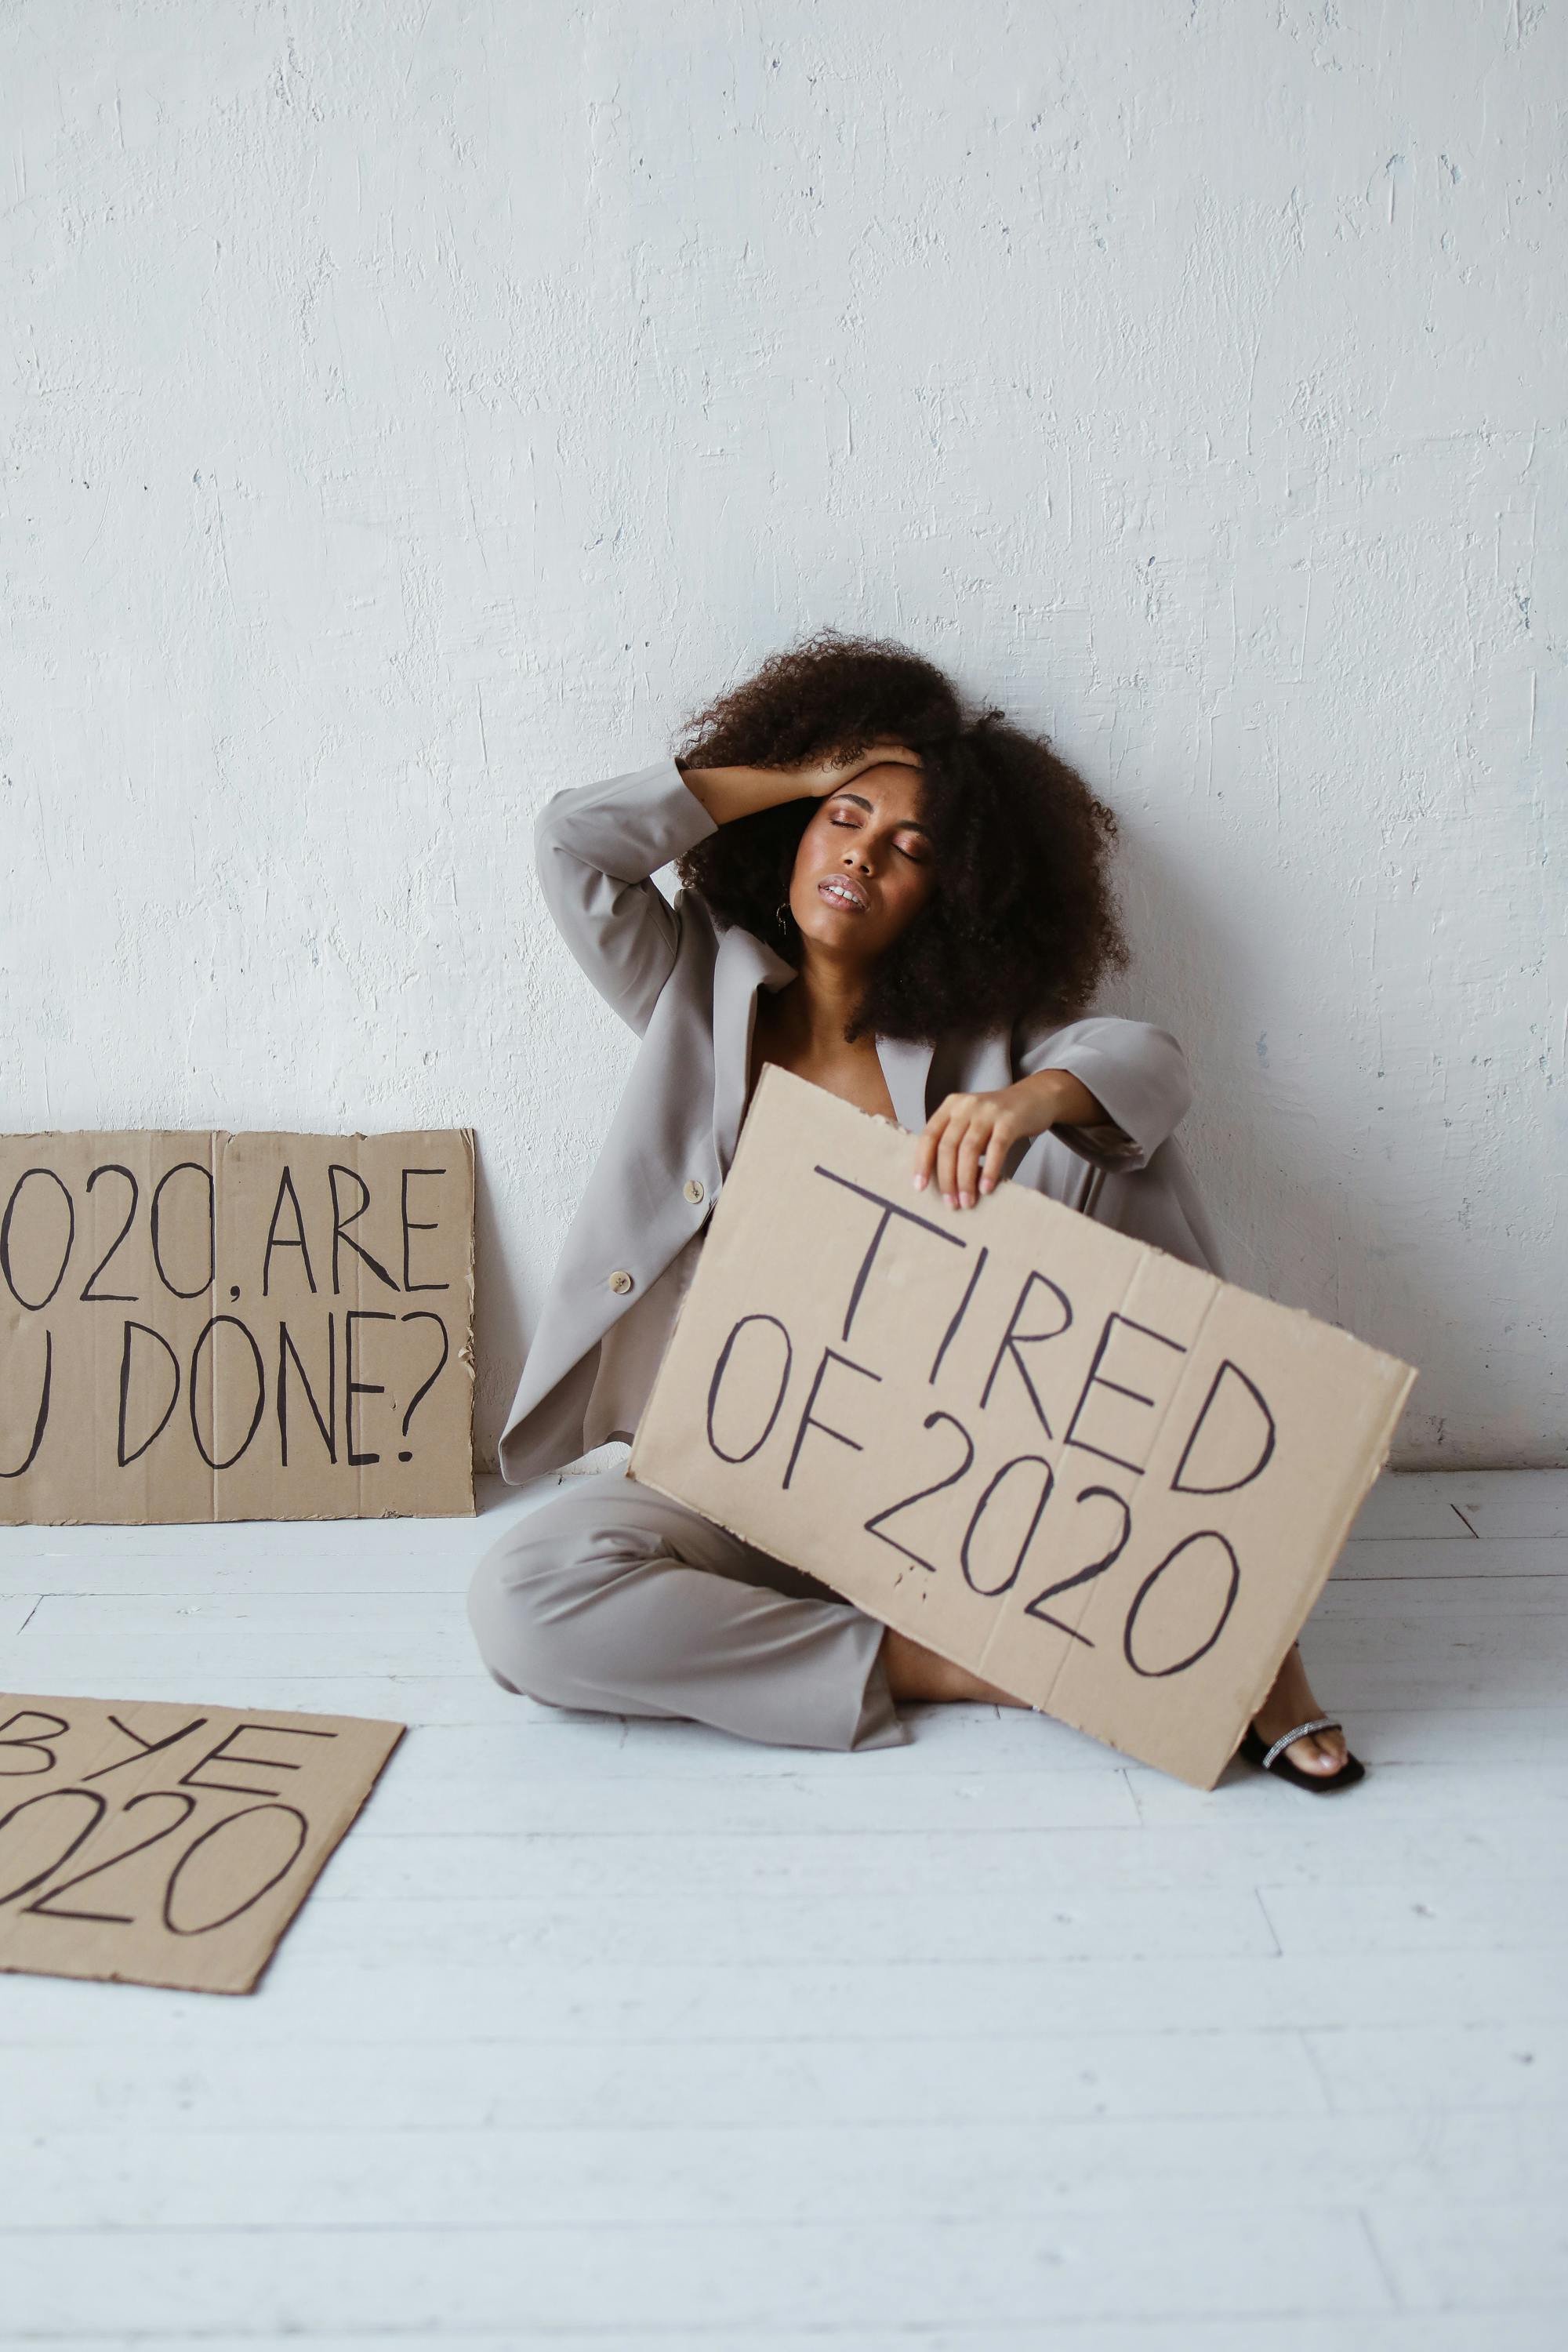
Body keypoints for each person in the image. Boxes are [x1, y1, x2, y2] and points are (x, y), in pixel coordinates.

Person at [468, 631, 1360, 1788]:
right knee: (522, 1598)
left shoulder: (977, 1043)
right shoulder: (691, 987)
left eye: (909, 847)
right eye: (845, 820)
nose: (862, 855)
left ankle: (1256, 1634)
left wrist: (1031, 1099)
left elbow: (1150, 1062)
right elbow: (572, 844)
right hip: (740, 1485)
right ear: (792, 831)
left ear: (951, 892)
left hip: (947, 1490)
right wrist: (804, 771)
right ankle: (965, 1667)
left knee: (1111, 1140)